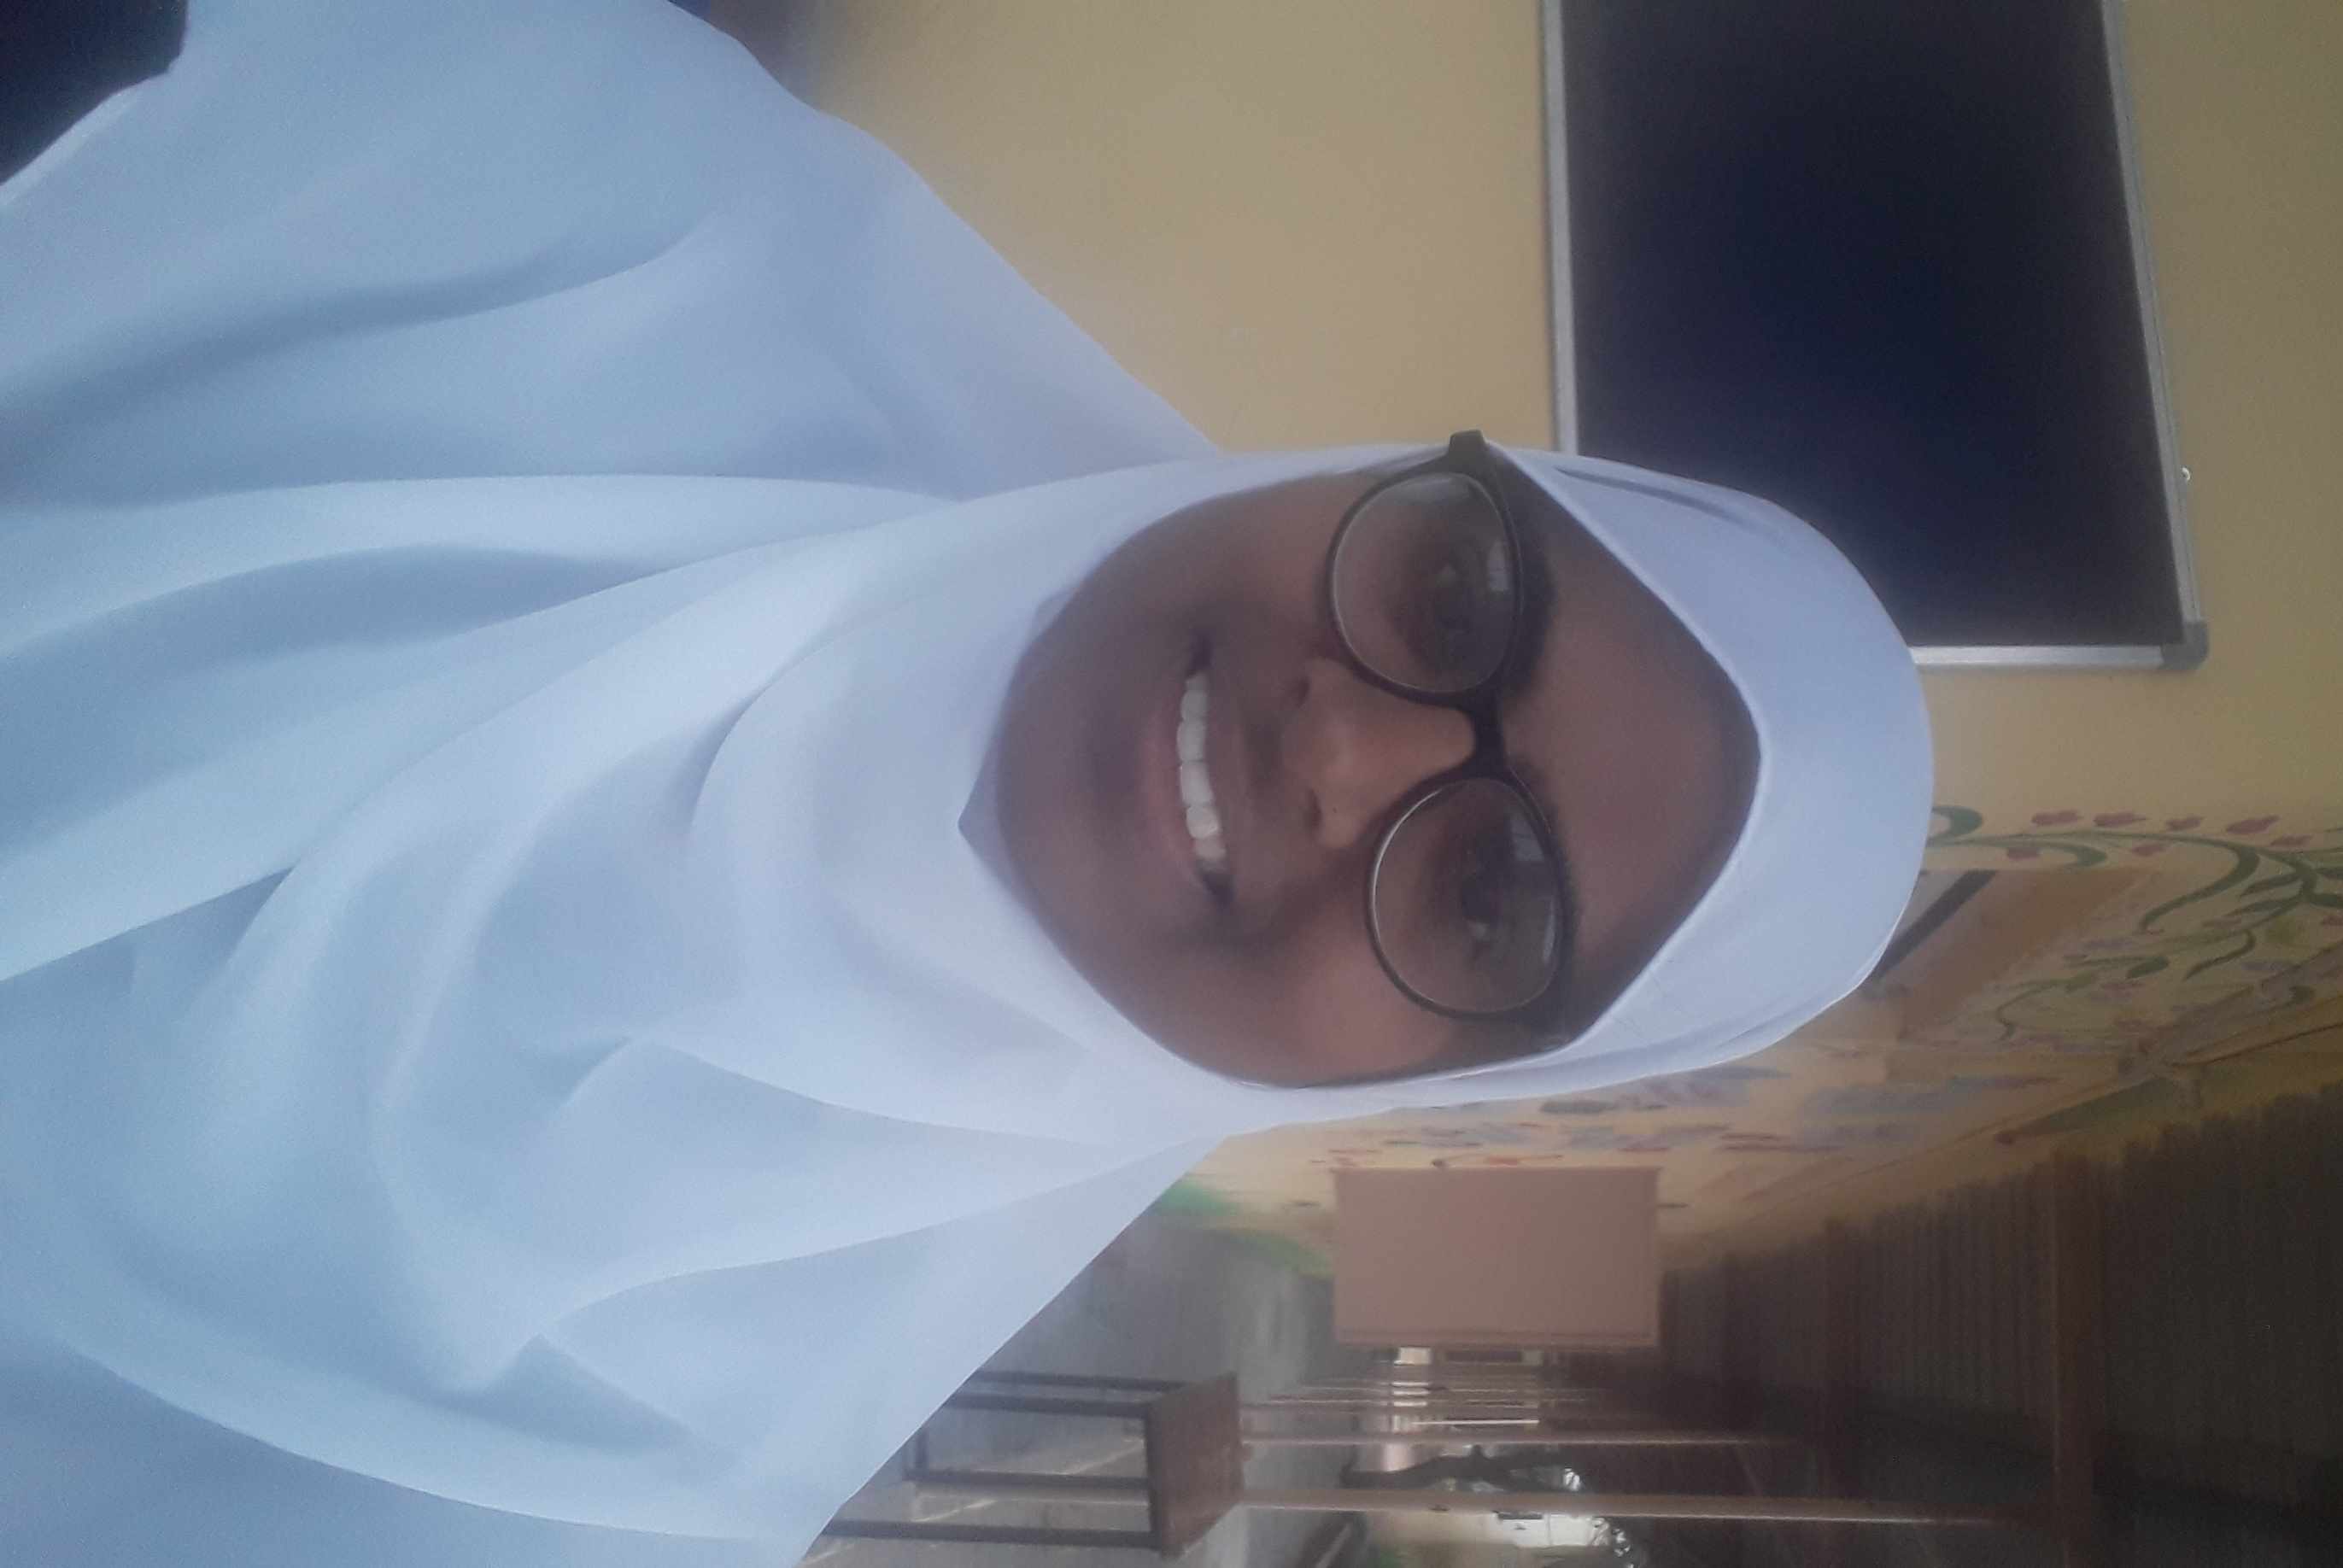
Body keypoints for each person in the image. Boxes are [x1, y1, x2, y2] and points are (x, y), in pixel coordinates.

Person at [0, 3, 1930, 1564]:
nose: (1340, 748)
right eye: (1459, 593)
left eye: (1488, 899)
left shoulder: (600, 1479)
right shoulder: (601, 206)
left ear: (1423, 1082)